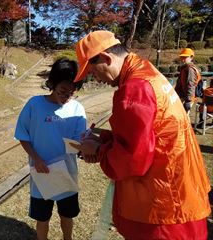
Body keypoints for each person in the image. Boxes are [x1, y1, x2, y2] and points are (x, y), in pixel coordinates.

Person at [71, 30, 211, 240]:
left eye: (93, 71)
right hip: (180, 190)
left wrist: (98, 150)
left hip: (162, 207)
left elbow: (133, 160)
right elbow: (150, 135)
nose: (96, 78)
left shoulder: (134, 88)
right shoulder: (147, 73)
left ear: (106, 58)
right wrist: (107, 139)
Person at [14, 58, 86, 240]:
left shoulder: (77, 108)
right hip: (42, 173)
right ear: (52, 84)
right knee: (42, 218)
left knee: (67, 215)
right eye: (63, 91)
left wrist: (86, 148)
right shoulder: (34, 105)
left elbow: (79, 142)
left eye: (72, 92)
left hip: (67, 173)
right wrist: (36, 158)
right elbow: (23, 135)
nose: (67, 96)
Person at [175, 48, 201, 115]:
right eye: (182, 57)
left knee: (184, 116)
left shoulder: (190, 69)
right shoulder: (185, 67)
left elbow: (191, 84)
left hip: (187, 97)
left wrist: (188, 101)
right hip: (183, 95)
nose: (183, 59)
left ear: (191, 57)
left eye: (185, 57)